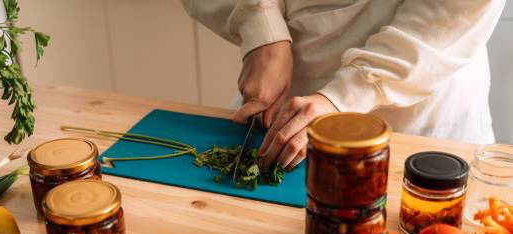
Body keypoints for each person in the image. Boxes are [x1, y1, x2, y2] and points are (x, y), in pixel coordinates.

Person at [181, 0, 506, 169]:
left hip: (420, 121)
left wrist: (343, 97)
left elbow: (452, 11)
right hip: (284, 114)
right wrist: (261, 31)